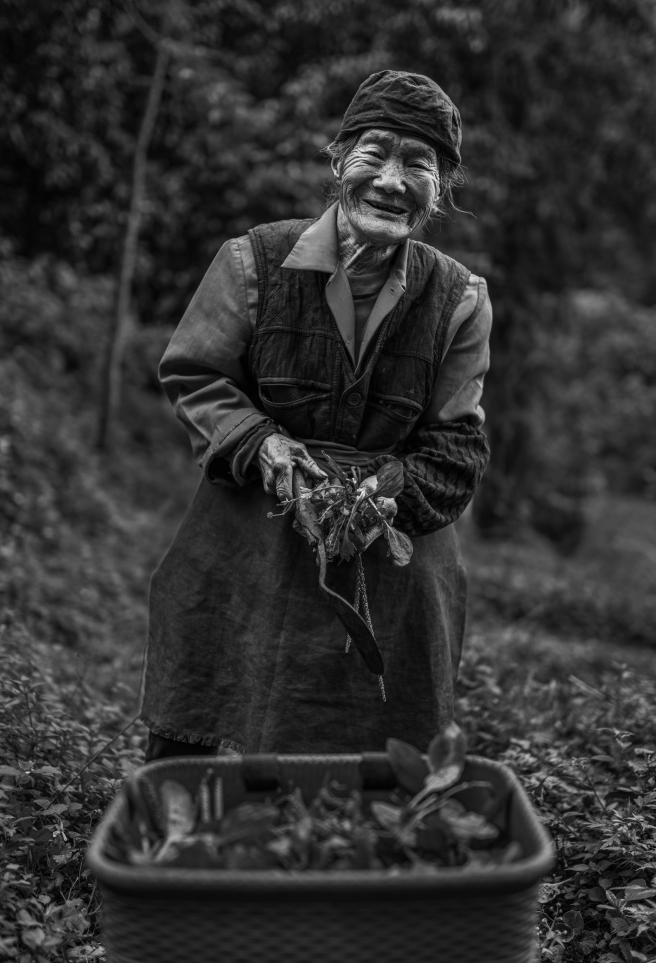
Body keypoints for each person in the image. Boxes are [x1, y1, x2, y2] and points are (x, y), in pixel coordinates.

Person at [139, 70, 491, 760]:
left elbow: (456, 445)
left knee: (386, 745)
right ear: (338, 162)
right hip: (251, 520)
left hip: (391, 542)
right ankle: (188, 842)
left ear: (439, 190)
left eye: (417, 164)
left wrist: (385, 493)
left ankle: (356, 850)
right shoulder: (253, 261)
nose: (392, 180)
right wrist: (264, 447)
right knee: (200, 711)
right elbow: (196, 374)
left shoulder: (458, 298)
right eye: (374, 153)